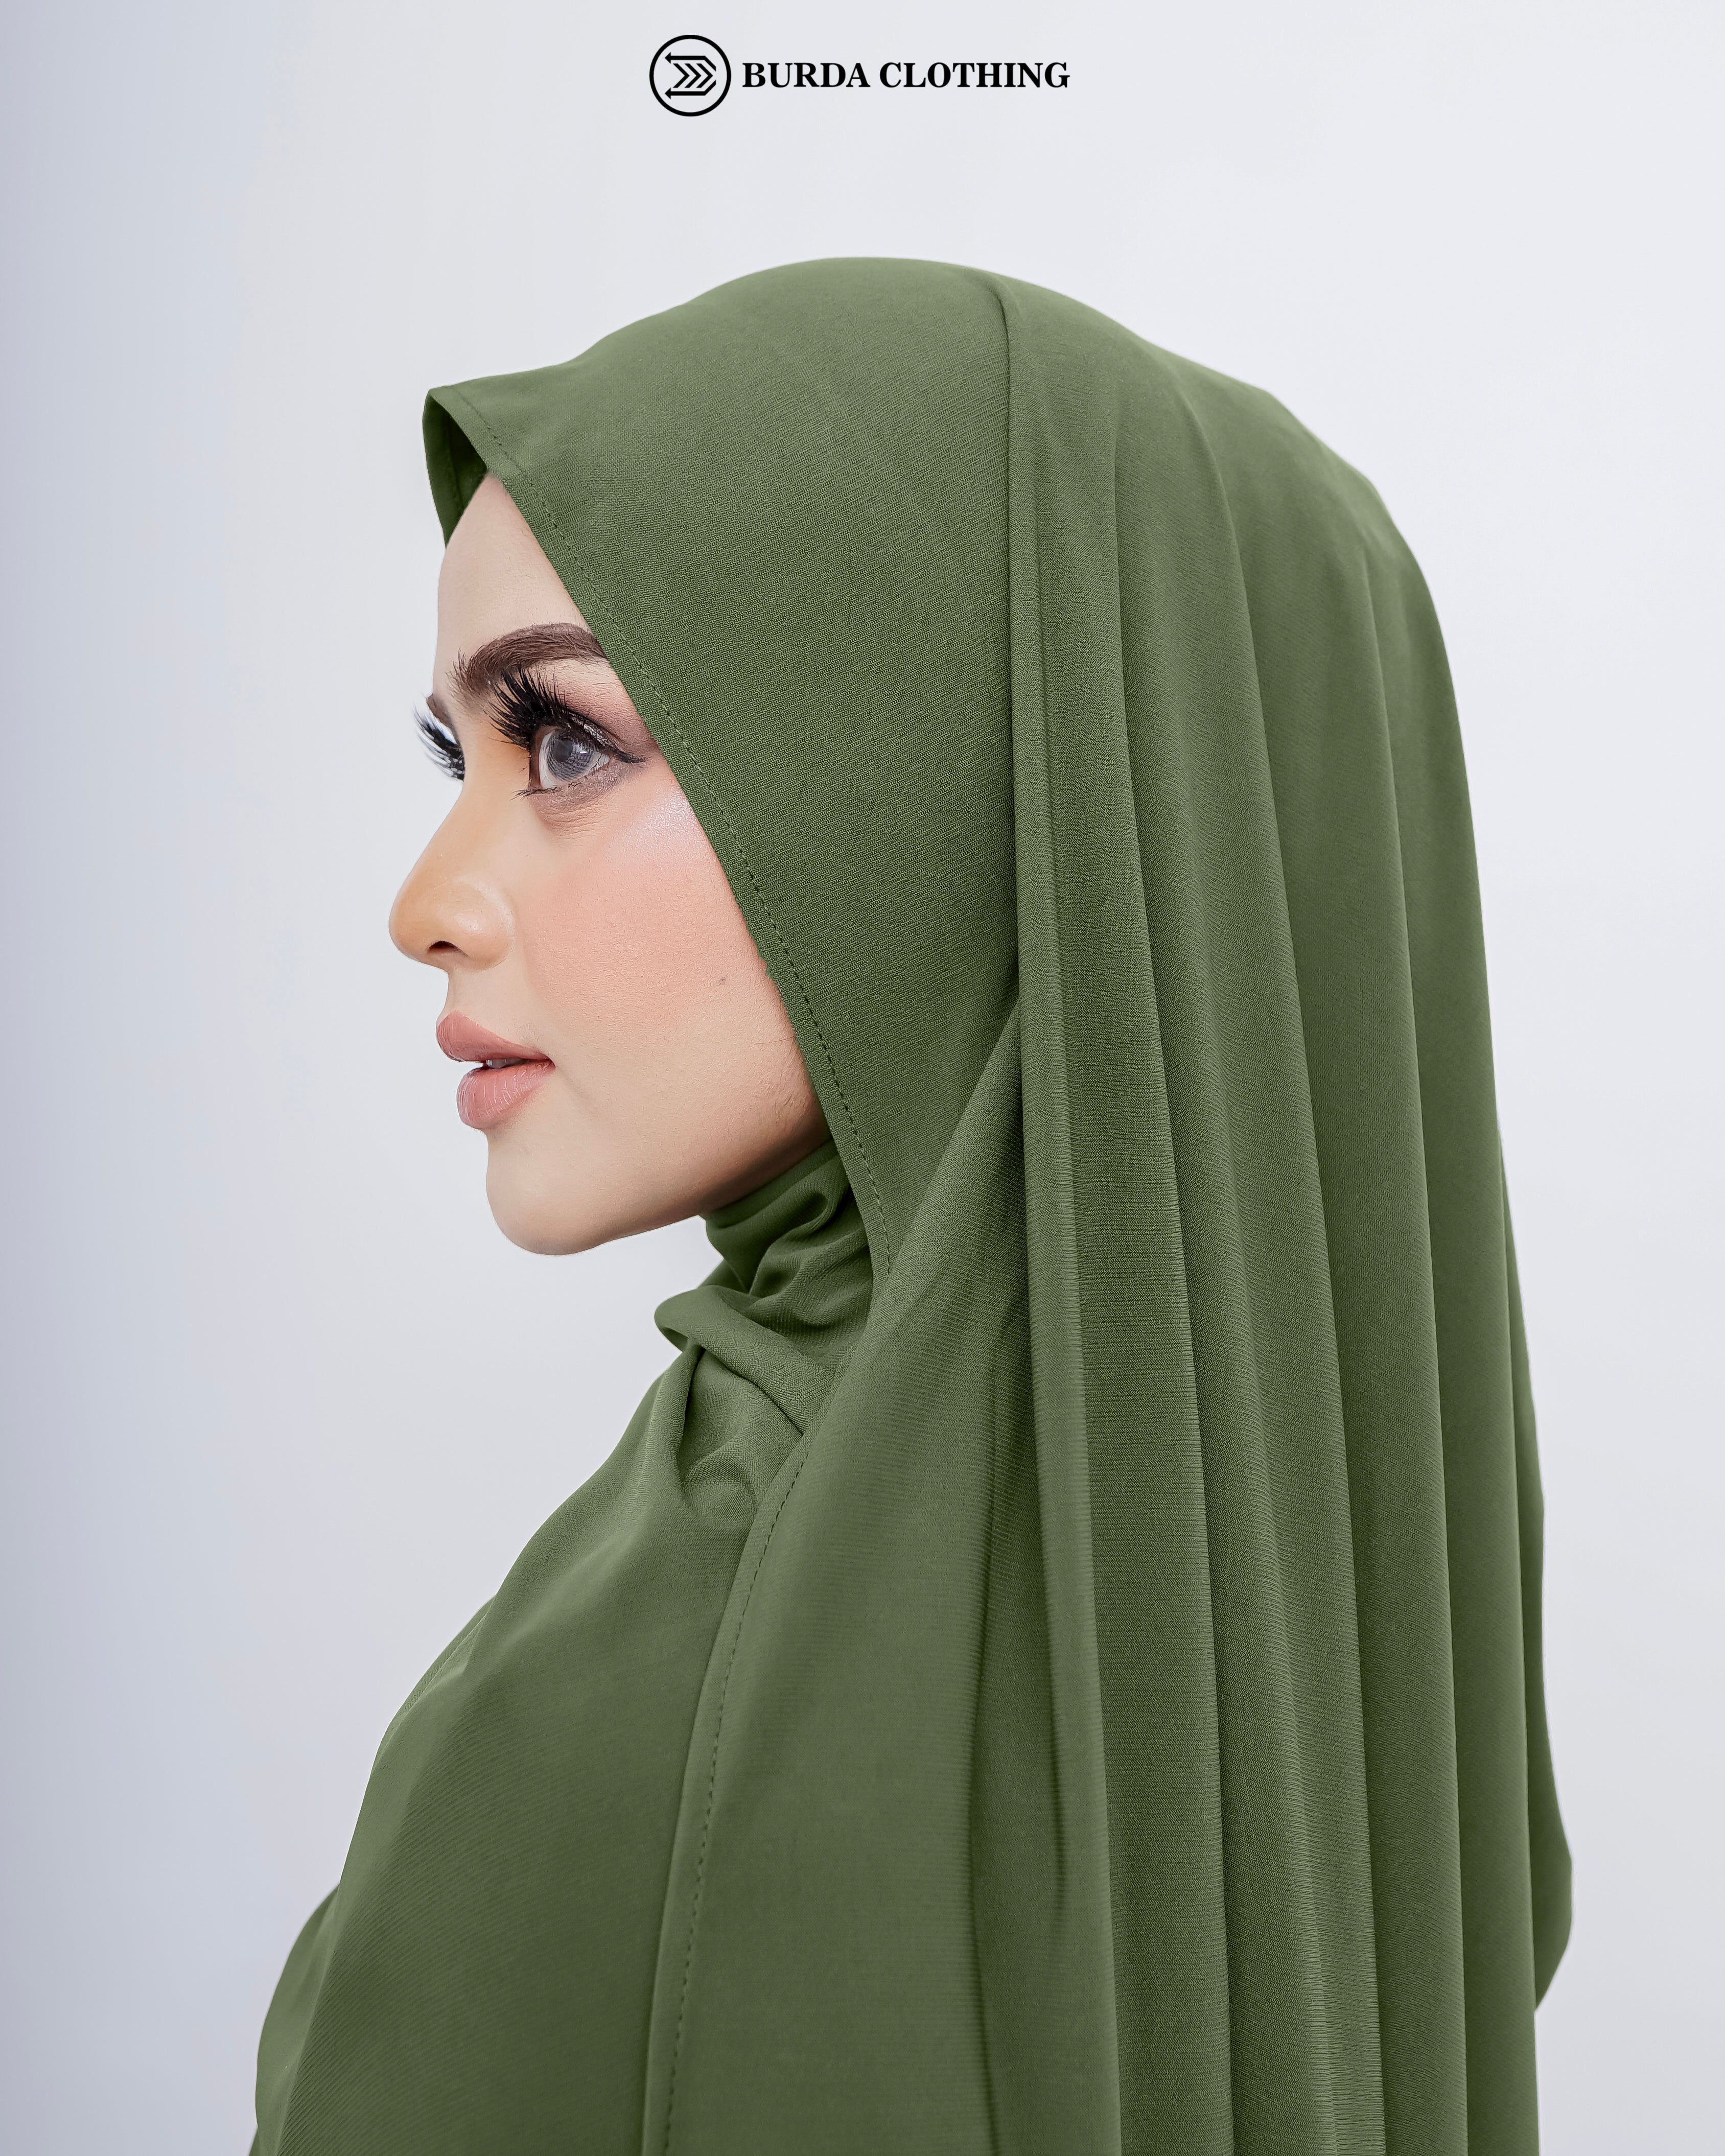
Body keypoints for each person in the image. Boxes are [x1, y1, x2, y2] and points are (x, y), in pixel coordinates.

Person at [251, 259, 1569, 2155]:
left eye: (565, 740)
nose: (426, 903)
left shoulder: (635, 1707)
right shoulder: (1357, 1612)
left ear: (946, 780)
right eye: (459, 755)